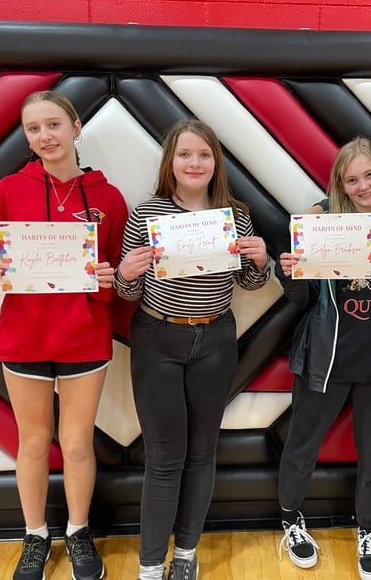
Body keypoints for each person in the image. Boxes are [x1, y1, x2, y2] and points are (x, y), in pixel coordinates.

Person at [0, 90, 128, 580]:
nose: (45, 136)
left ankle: (78, 532)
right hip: (25, 336)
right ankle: (35, 534)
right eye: (33, 128)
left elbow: (123, 276)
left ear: (76, 127)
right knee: (34, 442)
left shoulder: (108, 197)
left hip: (84, 336)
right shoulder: (8, 190)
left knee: (78, 444)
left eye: (54, 124)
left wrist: (111, 278)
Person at [114, 119, 271, 580]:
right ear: (171, 163)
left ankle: (184, 556)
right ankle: (148, 566)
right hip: (157, 341)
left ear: (215, 163)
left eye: (203, 155)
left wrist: (259, 262)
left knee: (203, 453)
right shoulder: (147, 214)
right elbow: (127, 293)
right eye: (185, 154)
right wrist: (125, 272)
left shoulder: (235, 215)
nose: (194, 163)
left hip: (216, 341)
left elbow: (248, 283)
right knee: (165, 459)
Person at [275, 138, 371, 580]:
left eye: (370, 174)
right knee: (303, 444)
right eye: (352, 179)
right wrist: (289, 272)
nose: (363, 184)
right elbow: (304, 296)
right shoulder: (323, 222)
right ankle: (291, 517)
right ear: (340, 184)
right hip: (327, 356)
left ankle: (368, 529)